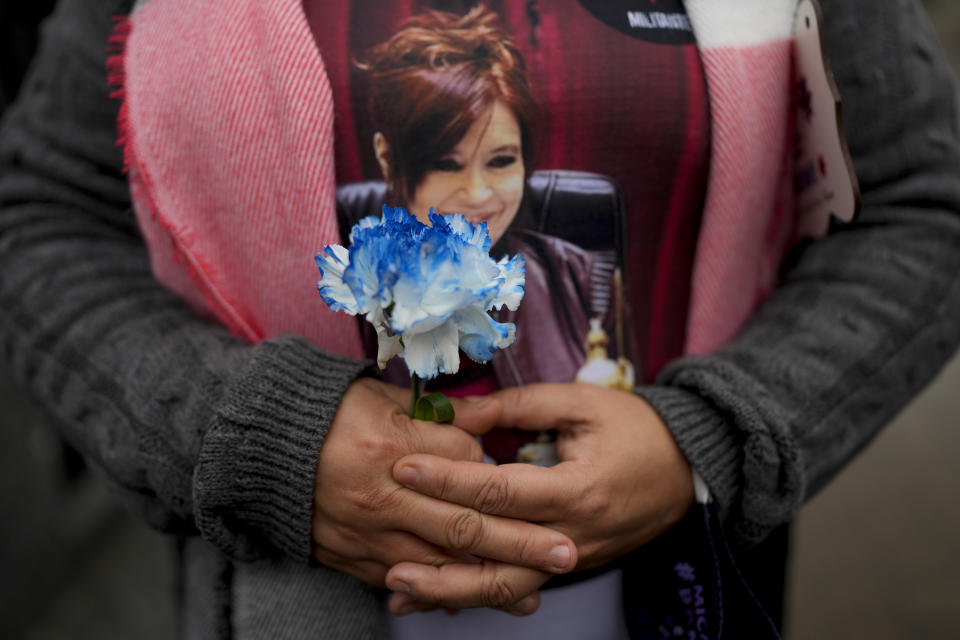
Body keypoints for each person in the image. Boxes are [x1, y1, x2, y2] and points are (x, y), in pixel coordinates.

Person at [2, 1, 960, 640]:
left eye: (501, 164)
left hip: (670, 593)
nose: (473, 198)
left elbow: (924, 201)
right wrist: (254, 437)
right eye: (442, 164)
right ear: (388, 155)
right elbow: (41, 213)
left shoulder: (555, 276)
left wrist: (708, 442)